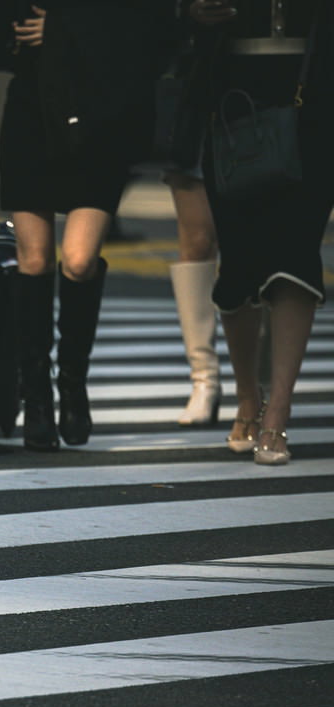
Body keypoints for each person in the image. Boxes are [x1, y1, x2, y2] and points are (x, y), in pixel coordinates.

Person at [0, 0, 168, 452]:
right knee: (33, 259)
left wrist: (67, 28)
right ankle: (36, 399)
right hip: (29, 120)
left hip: (99, 122)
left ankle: (72, 383)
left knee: (80, 261)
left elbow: (151, 33)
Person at [190, 0, 332, 465]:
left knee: (296, 255)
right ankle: (248, 398)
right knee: (239, 263)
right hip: (232, 96)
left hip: (317, 97)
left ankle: (279, 414)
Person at [156, 4, 224, 426]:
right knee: (196, 240)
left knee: (258, 250)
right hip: (192, 97)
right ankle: (205, 379)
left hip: (261, 87)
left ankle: (261, 384)